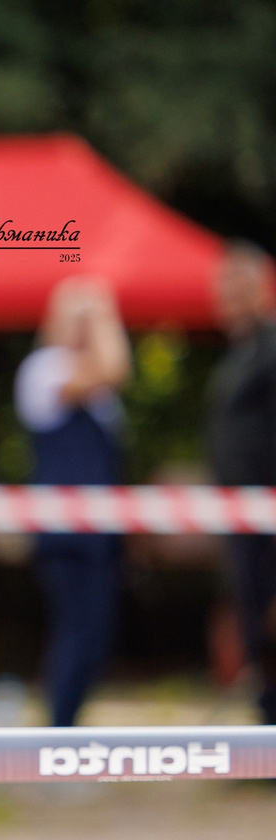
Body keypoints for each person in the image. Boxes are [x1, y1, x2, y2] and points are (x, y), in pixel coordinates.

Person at [16, 278, 130, 728]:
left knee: (94, 632)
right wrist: (101, 313)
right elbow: (114, 368)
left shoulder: (98, 394)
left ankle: (65, 726)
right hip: (65, 530)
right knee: (76, 631)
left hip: (95, 531)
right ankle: (58, 731)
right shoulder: (44, 369)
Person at [207, 242, 276, 723]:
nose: (229, 299)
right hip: (241, 516)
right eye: (224, 288)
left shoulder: (271, 349)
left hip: (267, 514)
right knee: (252, 621)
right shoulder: (238, 355)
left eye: (239, 287)